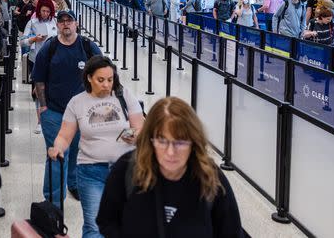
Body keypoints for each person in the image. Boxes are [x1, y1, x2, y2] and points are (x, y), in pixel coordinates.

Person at [96, 97, 243, 238]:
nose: (171, 152)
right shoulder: (127, 169)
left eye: (180, 142)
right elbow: (107, 221)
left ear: (193, 142)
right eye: (162, 141)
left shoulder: (211, 179)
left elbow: (231, 233)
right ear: (150, 140)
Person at [48, 56, 144, 238]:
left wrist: (133, 135)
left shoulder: (124, 95)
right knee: (94, 226)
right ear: (89, 78)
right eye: (101, 80)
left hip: (126, 169)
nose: (107, 85)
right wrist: (58, 148)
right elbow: (64, 135)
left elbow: (140, 128)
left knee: (127, 222)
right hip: (91, 171)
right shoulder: (77, 102)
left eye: (110, 79)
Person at [32, 10, 102, 204]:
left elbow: (104, 75)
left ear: (76, 23)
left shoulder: (88, 47)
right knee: (57, 156)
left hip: (82, 114)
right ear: (58, 25)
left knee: (77, 153)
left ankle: (73, 183)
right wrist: (43, 107)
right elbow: (39, 79)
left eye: (69, 21)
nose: (65, 24)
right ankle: (54, 202)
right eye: (61, 21)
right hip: (54, 112)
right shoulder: (50, 47)